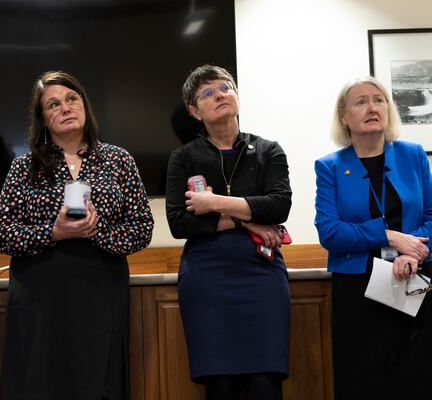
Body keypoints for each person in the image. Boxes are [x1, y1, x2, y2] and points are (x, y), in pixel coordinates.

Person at [0, 70, 154, 399]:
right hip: (39, 296)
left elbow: (142, 226)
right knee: (38, 384)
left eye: (71, 99)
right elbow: (1, 232)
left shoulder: (118, 160)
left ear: (84, 105)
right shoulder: (25, 166)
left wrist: (96, 233)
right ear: (43, 119)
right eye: (53, 104)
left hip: (101, 293)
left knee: (99, 383)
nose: (64, 108)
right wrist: (53, 232)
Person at [166, 65, 292, 400]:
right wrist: (246, 219)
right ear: (195, 111)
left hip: (262, 275)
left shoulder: (268, 150)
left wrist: (213, 203)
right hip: (208, 277)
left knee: (266, 382)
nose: (220, 94)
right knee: (220, 384)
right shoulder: (183, 157)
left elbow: (279, 207)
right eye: (208, 93)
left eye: (225, 87)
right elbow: (180, 223)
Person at [314, 76, 432, 399]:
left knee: (417, 377)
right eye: (361, 102)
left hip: (414, 278)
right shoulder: (330, 168)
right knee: (363, 380)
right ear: (343, 116)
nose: (372, 107)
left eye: (379, 100)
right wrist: (391, 237)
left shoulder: (413, 155)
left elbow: (431, 217)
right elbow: (330, 231)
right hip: (357, 289)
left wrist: (414, 252)